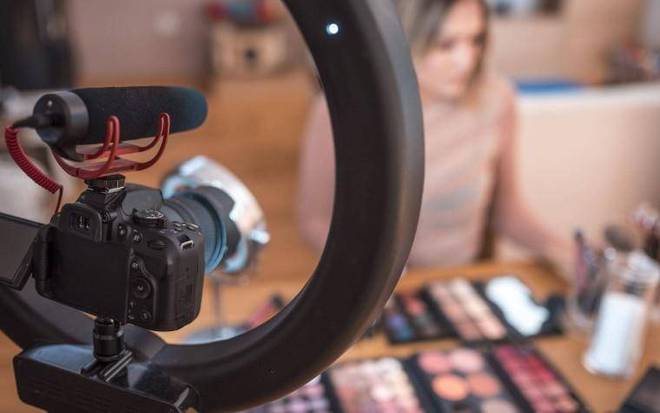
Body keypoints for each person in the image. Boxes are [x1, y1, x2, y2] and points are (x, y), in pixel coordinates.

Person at [297, 0, 572, 275]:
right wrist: (379, 275)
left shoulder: (497, 99)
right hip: (383, 286)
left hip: (459, 278)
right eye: (445, 45)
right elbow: (314, 221)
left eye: (475, 40)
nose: (466, 61)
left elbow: (507, 213)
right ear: (402, 40)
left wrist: (561, 249)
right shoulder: (342, 109)